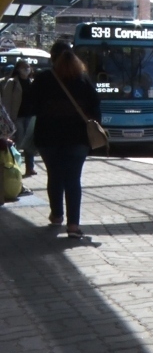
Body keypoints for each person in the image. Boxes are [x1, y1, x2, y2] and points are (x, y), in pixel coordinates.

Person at [24, 41, 100, 239]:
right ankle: (73, 225)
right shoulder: (83, 79)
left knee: (55, 176)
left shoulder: (44, 79)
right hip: (78, 138)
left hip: (48, 137)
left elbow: (29, 105)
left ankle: (57, 215)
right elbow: (96, 108)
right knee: (73, 179)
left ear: (52, 57)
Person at [1, 59, 37, 176]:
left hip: (30, 116)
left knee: (30, 143)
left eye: (28, 67)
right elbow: (6, 101)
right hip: (17, 116)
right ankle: (14, 166)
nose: (26, 69)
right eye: (23, 67)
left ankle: (30, 167)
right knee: (19, 141)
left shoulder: (32, 82)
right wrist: (8, 118)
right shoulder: (12, 82)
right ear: (18, 69)